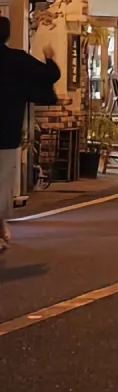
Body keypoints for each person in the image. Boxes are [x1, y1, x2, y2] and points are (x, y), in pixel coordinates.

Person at [0, 16, 60, 251]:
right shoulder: (16, 59)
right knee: (3, 180)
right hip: (7, 130)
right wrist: (49, 57)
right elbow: (49, 75)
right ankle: (1, 225)